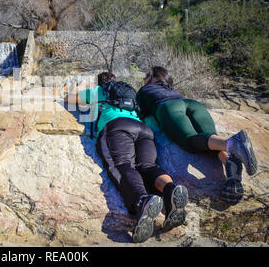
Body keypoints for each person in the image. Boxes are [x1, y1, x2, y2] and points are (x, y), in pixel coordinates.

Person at [65, 72, 189, 243]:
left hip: (117, 127)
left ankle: (142, 200)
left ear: (100, 82)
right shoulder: (131, 93)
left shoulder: (100, 90)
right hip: (143, 129)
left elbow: (70, 99)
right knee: (148, 166)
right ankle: (170, 190)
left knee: (123, 165)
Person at [136, 66, 259, 204]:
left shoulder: (144, 91)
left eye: (147, 75)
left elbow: (143, 118)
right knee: (209, 138)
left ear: (156, 77)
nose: (144, 78)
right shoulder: (170, 89)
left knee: (190, 140)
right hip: (194, 105)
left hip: (167, 106)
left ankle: (232, 143)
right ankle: (228, 161)